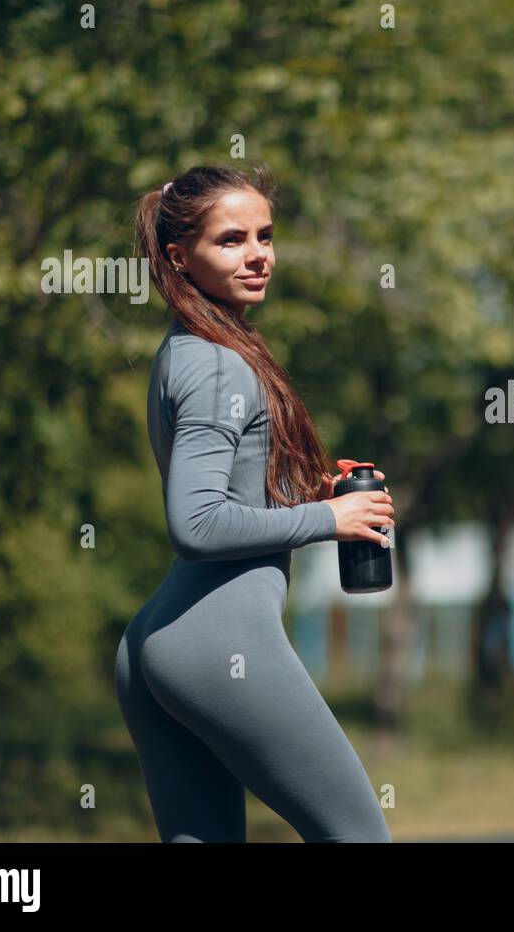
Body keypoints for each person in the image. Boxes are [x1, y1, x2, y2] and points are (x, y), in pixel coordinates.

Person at [114, 164, 395, 842]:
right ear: (180, 257)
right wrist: (330, 519)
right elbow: (198, 522)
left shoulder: (191, 348)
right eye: (232, 240)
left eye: (265, 236)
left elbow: (227, 497)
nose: (258, 254)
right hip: (219, 643)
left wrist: (309, 496)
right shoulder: (217, 364)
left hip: (158, 642)